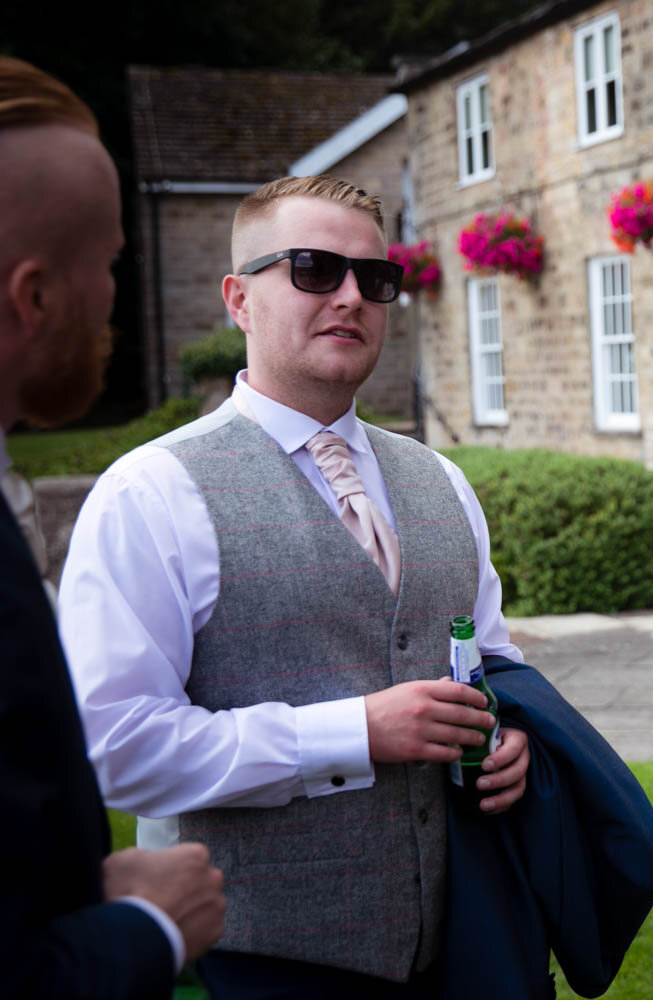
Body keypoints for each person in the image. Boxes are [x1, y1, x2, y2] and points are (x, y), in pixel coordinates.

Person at [58, 174, 532, 996]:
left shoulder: (442, 482)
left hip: (461, 941)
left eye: (375, 279)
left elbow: (495, 664)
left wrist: (512, 741)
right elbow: (119, 749)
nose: (352, 296)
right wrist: (354, 731)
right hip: (261, 956)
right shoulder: (151, 492)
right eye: (314, 268)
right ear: (240, 299)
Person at [0, 56, 226, 998]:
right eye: (109, 266)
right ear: (34, 296)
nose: (115, 307)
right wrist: (143, 929)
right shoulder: (148, 490)